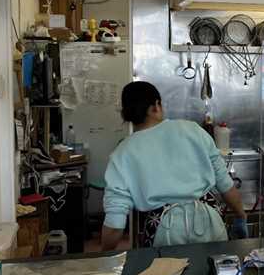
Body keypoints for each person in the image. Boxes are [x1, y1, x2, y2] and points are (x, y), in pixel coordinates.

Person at [101, 81, 248, 250]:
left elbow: (115, 221)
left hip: (163, 230)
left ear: (126, 114)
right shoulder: (193, 130)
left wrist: (103, 256)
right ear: (156, 106)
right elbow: (225, 185)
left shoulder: (122, 153)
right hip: (209, 221)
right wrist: (240, 215)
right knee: (212, 272)